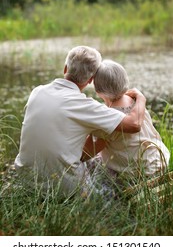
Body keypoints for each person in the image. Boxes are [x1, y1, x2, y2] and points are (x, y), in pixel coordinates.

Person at [14, 46, 146, 197]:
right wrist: (141, 98)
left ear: (65, 68)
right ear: (90, 80)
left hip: (26, 180)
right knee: (111, 193)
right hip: (64, 189)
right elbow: (134, 124)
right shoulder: (85, 106)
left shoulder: (37, 91)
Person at [83, 59, 170, 185]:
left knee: (90, 163)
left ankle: (108, 199)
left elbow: (88, 153)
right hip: (158, 162)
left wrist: (88, 130)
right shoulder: (136, 102)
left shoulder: (108, 119)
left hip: (138, 175)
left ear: (98, 90)